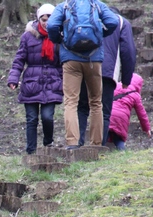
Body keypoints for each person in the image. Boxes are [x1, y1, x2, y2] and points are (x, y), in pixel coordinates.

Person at [47, 0, 119, 149]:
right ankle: (96, 143)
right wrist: (100, 35)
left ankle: (72, 142)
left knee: (71, 101)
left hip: (70, 58)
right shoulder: (97, 4)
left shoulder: (64, 5)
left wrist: (59, 40)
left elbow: (52, 25)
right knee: (96, 102)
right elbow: (113, 21)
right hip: (93, 58)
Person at [7, 3, 63, 154]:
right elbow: (19, 59)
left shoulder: (59, 37)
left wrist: (63, 81)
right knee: (31, 119)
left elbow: (63, 63)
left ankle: (48, 144)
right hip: (31, 84)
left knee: (47, 117)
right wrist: (13, 78)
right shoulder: (27, 36)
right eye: (43, 19)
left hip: (52, 83)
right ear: (38, 19)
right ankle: (31, 151)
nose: (46, 22)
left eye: (49, 19)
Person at [77, 6, 137, 146]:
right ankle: (98, 147)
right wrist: (127, 79)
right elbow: (128, 51)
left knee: (82, 107)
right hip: (107, 72)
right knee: (104, 111)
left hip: (85, 67)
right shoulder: (121, 22)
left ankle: (77, 144)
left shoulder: (89, 19)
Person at [107, 73, 150, 150]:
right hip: (121, 119)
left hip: (108, 114)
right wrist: (146, 129)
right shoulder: (135, 95)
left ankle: (98, 153)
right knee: (118, 138)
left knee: (104, 136)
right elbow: (142, 114)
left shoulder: (115, 86)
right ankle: (123, 153)